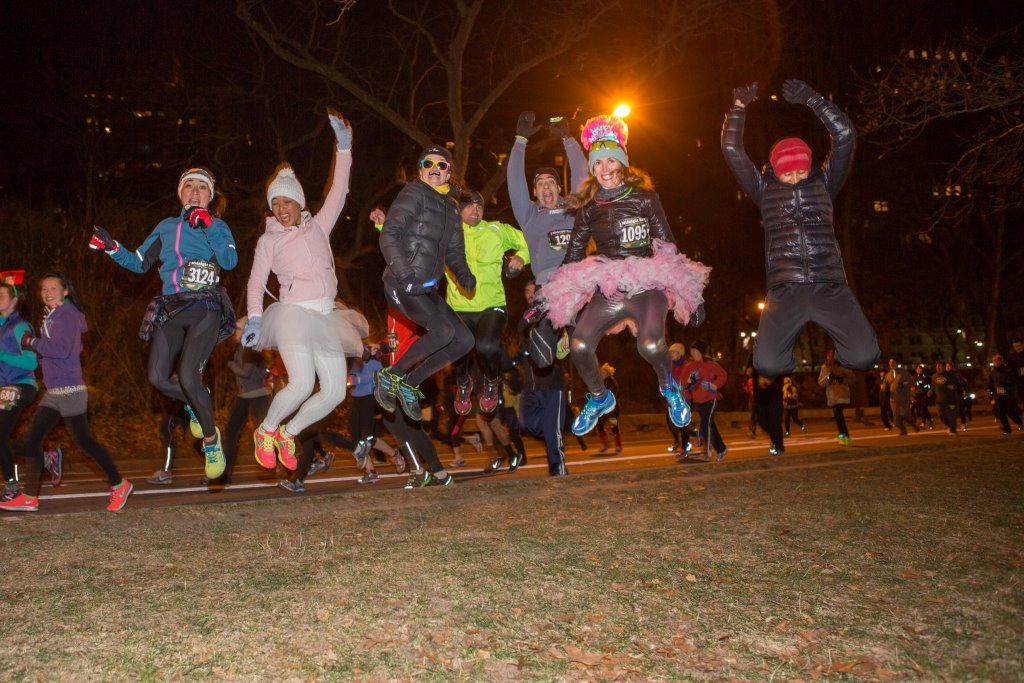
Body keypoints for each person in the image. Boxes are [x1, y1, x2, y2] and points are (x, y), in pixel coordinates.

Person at [533, 114, 710, 436]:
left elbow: (667, 243)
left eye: (611, 161)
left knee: (651, 345)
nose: (604, 169)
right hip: (609, 285)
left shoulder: (644, 197)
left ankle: (670, 389)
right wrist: (550, 295)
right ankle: (600, 398)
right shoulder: (587, 207)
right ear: (593, 169)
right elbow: (573, 254)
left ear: (623, 164)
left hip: (647, 283)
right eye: (598, 164)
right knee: (580, 345)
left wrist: (692, 295)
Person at [722, 79, 878, 379]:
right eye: (788, 173)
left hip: (829, 284)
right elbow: (733, 151)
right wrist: (738, 109)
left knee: (864, 357)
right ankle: (793, 370)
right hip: (786, 288)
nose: (795, 178)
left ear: (810, 167)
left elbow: (845, 135)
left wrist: (814, 100)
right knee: (768, 365)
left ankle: (835, 365)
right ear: (775, 170)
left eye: (801, 171)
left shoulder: (824, 182)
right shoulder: (763, 190)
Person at [90, 166, 238, 480]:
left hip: (206, 307)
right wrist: (111, 247)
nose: (195, 192)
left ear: (210, 197)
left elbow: (229, 261)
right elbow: (139, 262)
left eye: (202, 187)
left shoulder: (218, 225)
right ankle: (195, 402)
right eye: (189, 186)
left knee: (187, 375)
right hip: (171, 307)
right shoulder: (166, 227)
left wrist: (209, 225)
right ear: (180, 193)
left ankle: (211, 441)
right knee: (157, 378)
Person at [243, 112, 368, 473]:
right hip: (294, 317)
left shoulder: (320, 227)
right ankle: (266, 432)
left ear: (299, 204)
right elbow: (255, 281)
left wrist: (343, 147)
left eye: (287, 203)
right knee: (300, 384)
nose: (281, 210)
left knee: (334, 393)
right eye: (275, 204)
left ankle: (288, 432)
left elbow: (339, 190)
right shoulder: (268, 241)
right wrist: (254, 317)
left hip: (327, 315)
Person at [1, 273, 132, 512]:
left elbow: (60, 350)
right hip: (55, 390)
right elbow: (67, 349)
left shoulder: (67, 315)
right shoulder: (53, 316)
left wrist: (32, 343)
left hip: (70, 389)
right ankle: (30, 496)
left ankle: (119, 484)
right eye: (43, 289)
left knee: (84, 442)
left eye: (53, 288)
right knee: (32, 439)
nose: (47, 292)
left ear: (65, 291)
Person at [373, 145, 477, 424]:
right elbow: (389, 235)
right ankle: (390, 376)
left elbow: (454, 253)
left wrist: (464, 275)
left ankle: (410, 383)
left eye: (441, 165)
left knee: (465, 339)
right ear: (420, 170)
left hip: (426, 289)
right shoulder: (413, 193)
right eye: (428, 163)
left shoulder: (453, 210)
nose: (434, 168)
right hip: (400, 282)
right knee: (442, 331)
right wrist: (405, 275)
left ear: (448, 173)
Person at [508, 111, 589, 367]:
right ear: (534, 192)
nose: (545, 187)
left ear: (559, 188)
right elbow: (514, 182)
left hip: (577, 284)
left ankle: (569, 329)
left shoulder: (572, 207)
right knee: (543, 362)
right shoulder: (530, 214)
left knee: (582, 350)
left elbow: (581, 175)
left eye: (551, 182)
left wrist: (569, 139)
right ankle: (548, 319)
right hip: (547, 286)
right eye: (540, 183)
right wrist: (520, 140)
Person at [447, 191, 529, 417]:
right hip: (459, 305)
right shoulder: (446, 232)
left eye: (479, 207)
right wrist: (383, 227)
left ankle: (492, 381)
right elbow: (416, 245)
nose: (475, 211)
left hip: (492, 304)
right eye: (469, 206)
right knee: (458, 347)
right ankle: (463, 382)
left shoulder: (496, 230)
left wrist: (521, 257)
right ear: (458, 209)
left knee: (486, 346)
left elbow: (527, 241)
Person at [517, 280, 569, 475]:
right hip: (530, 385)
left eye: (534, 291)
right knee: (527, 424)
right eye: (527, 291)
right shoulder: (523, 320)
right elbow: (523, 349)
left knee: (553, 433)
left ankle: (559, 472)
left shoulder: (553, 316)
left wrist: (564, 342)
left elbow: (564, 347)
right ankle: (555, 431)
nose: (530, 294)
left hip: (552, 383)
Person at [0, 280, 39, 501]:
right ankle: (44, 456)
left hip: (21, 385)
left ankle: (13, 488)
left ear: (14, 300)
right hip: (3, 389)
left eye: (2, 294)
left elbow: (31, 363)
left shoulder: (21, 327)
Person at [221, 319, 272, 484]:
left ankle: (284, 465)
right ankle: (224, 474)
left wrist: (230, 363)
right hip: (244, 396)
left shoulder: (251, 347)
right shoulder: (241, 347)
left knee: (263, 435)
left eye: (237, 328)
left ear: (246, 330)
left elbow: (245, 373)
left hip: (258, 396)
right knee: (230, 432)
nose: (234, 330)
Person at [679, 340, 728, 461]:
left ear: (700, 351)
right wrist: (689, 381)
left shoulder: (710, 364)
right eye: (691, 350)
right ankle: (721, 449)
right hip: (698, 399)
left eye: (694, 350)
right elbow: (683, 381)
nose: (692, 352)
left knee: (705, 424)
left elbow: (723, 375)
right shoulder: (690, 366)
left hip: (711, 398)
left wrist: (715, 385)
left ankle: (707, 452)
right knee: (710, 425)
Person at [818, 348, 854, 446]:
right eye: (829, 356)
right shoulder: (825, 367)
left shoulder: (843, 366)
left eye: (833, 356)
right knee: (839, 418)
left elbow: (853, 379)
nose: (830, 358)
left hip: (842, 395)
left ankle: (844, 438)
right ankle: (846, 437)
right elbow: (821, 383)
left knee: (838, 414)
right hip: (832, 396)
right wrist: (828, 377)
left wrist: (842, 379)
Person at [751, 365, 785, 455]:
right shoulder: (753, 357)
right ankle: (776, 440)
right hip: (759, 398)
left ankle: (778, 446)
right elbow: (748, 371)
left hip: (774, 397)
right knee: (762, 422)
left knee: (775, 423)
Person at [666, 343, 692, 453]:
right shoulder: (669, 366)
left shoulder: (687, 366)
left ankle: (685, 446)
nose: (671, 354)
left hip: (685, 397)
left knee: (683, 422)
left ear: (680, 354)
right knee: (670, 421)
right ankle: (679, 439)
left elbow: (691, 381)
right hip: (672, 397)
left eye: (673, 352)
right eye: (670, 352)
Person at [988, 355, 1023, 434]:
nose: (996, 362)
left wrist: (1005, 388)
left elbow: (1013, 381)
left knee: (1010, 412)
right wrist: (993, 390)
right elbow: (990, 383)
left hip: (1008, 395)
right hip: (998, 396)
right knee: (1001, 413)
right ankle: (1007, 429)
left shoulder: (1008, 370)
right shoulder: (992, 372)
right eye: (994, 361)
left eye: (998, 361)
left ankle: (1019, 422)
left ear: (1001, 361)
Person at [883, 359, 917, 436]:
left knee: (905, 414)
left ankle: (914, 425)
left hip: (904, 398)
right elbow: (885, 385)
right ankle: (903, 430)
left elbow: (912, 384)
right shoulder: (888, 375)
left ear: (896, 363)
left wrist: (912, 395)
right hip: (893, 400)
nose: (892, 364)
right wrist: (883, 387)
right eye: (890, 363)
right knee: (896, 420)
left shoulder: (904, 373)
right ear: (889, 364)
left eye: (893, 362)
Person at [594, 363, 622, 455]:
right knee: (599, 425)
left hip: (613, 408)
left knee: (613, 427)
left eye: (602, 372)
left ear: (607, 373)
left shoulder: (611, 382)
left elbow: (614, 393)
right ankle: (605, 445)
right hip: (604, 409)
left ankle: (618, 446)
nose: (600, 373)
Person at [930, 360, 963, 435]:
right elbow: (933, 386)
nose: (938, 368)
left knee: (951, 416)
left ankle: (953, 430)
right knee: (941, 415)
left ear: (944, 367)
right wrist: (930, 391)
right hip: (939, 400)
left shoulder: (951, 375)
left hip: (950, 399)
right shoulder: (934, 376)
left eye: (940, 366)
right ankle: (950, 426)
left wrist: (954, 387)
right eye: (937, 366)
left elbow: (959, 386)